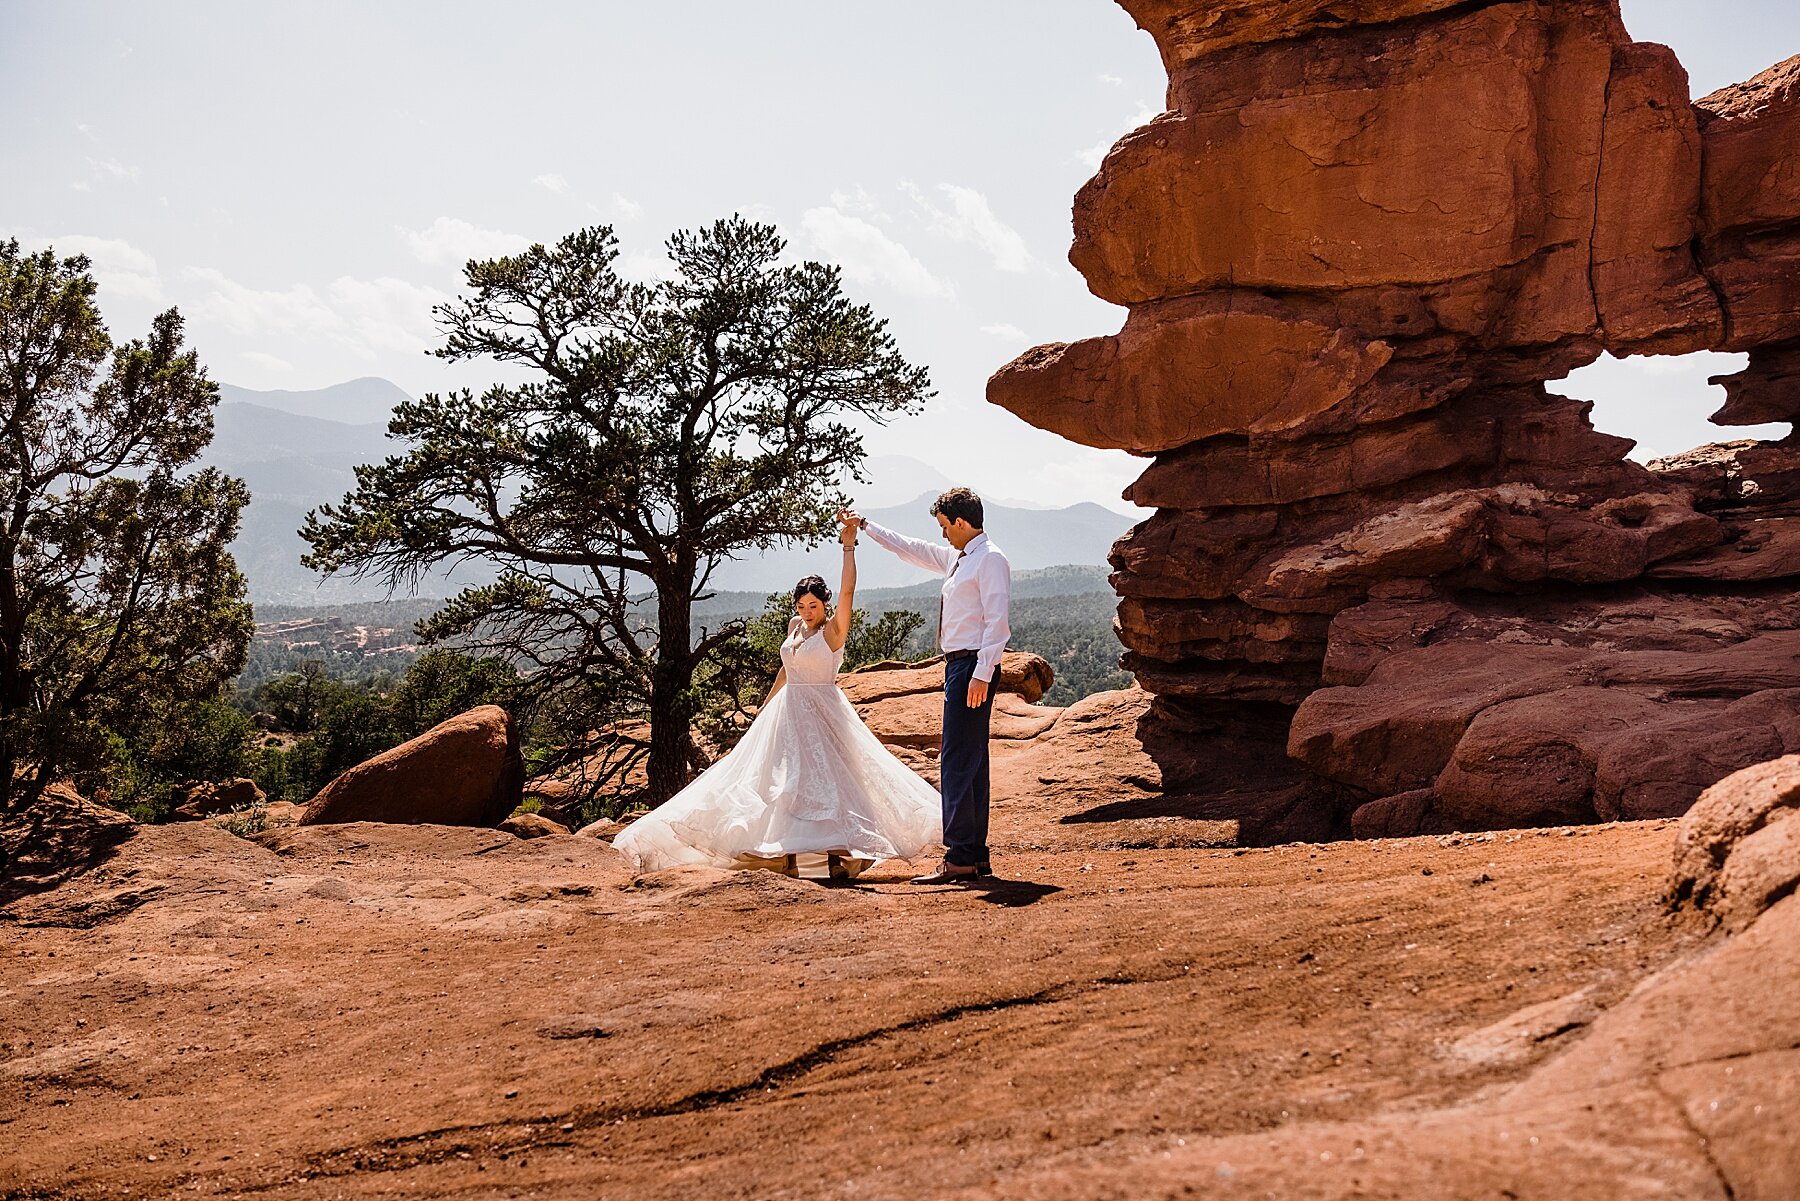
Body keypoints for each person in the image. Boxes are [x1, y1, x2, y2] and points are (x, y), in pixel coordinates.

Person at [612, 514, 941, 880]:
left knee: (826, 782)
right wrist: (766, 707)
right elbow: (787, 669)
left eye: (813, 606)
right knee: (783, 785)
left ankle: (826, 859)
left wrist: (848, 547)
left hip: (822, 710)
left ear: (825, 606)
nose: (806, 612)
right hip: (788, 710)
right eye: (801, 606)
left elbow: (848, 591)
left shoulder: (833, 631)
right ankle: (790, 855)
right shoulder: (795, 627)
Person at [844, 486, 1011, 884]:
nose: (942, 535)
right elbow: (911, 549)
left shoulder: (990, 560)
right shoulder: (959, 558)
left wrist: (982, 673)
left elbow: (997, 623)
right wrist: (866, 526)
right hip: (960, 666)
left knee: (956, 761)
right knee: (970, 763)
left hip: (971, 666)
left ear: (960, 521)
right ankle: (972, 856)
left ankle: (959, 857)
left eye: (944, 526)